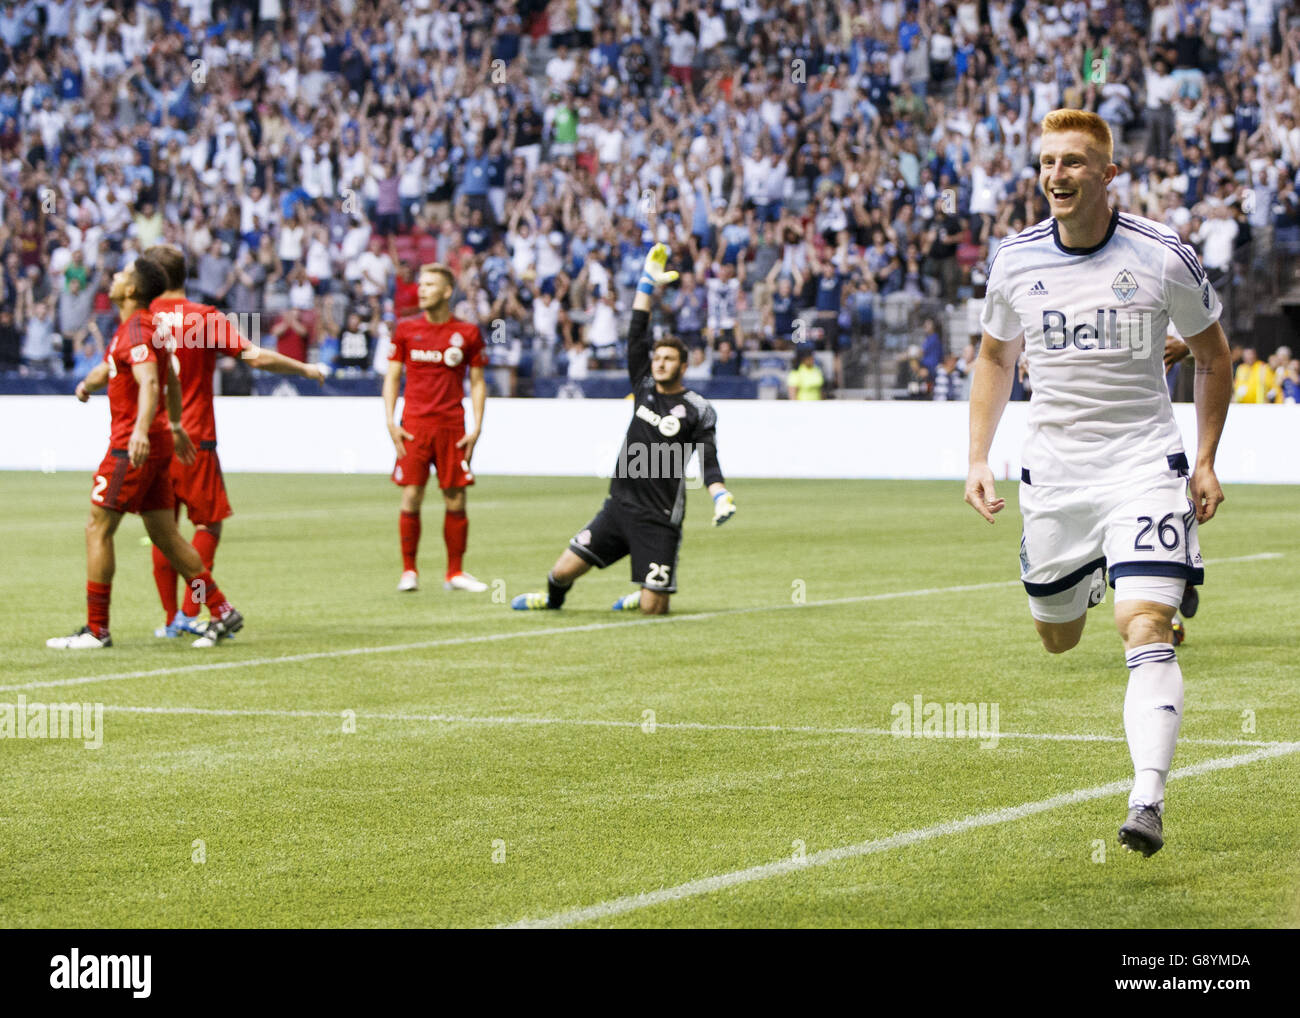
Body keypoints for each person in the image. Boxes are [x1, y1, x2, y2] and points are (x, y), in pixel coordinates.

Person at [965, 110, 1232, 858]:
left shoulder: (1162, 255)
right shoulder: (1015, 260)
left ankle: (1147, 797)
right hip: (1053, 474)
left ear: (1108, 175)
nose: (1057, 175)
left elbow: (1216, 354)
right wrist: (979, 457)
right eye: (1048, 162)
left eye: (1075, 162)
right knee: (1057, 637)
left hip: (1144, 463)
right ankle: (1104, 573)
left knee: (1141, 626)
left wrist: (1205, 458)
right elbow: (993, 357)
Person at [512, 244, 736, 615]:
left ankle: (644, 594)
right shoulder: (644, 386)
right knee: (560, 572)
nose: (660, 363)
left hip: (659, 518)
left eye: (669, 359)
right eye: (658, 357)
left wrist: (720, 495)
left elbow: (708, 460)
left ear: (683, 366)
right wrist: (646, 286)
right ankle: (549, 601)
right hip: (618, 509)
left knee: (653, 610)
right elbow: (636, 333)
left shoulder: (698, 409)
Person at [46, 257, 244, 650]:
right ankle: (220, 608)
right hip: (157, 444)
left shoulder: (136, 328)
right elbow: (166, 377)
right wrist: (170, 425)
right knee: (167, 536)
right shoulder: (144, 328)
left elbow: (152, 380)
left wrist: (139, 431)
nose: (115, 277)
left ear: (132, 290)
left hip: (130, 446)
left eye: (121, 275)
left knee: (97, 527)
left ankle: (96, 629)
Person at [141, 245, 328, 638]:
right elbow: (255, 357)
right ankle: (192, 613)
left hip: (152, 438)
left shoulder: (141, 320)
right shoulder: (204, 318)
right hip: (194, 438)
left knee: (163, 529)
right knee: (207, 524)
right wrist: (306, 368)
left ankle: (171, 617)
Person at [384, 263, 489, 593]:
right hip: (414, 426)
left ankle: (454, 573)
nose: (422, 289)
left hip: (452, 427)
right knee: (411, 495)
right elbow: (392, 377)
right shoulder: (405, 329)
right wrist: (390, 420)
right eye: (421, 283)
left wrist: (477, 426)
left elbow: (478, 382)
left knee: (455, 498)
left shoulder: (468, 333)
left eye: (430, 284)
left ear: (447, 291)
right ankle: (409, 571)